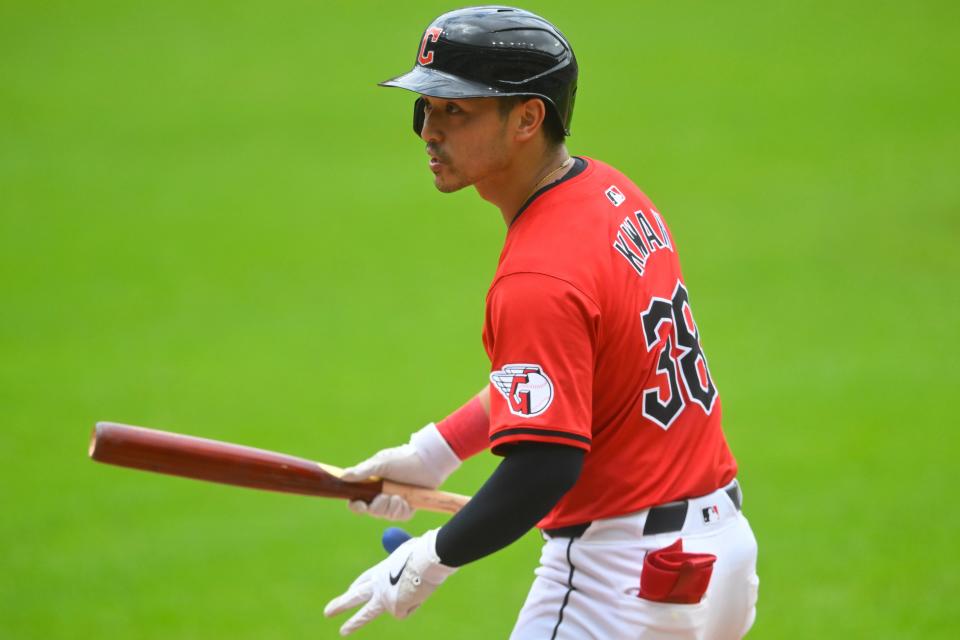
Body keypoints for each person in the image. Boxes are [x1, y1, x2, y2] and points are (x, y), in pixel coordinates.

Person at [323, 6, 759, 639]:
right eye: (425, 107)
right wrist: (433, 454)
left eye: (456, 109)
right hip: (716, 555)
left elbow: (545, 466)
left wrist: (428, 559)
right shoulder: (612, 194)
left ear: (528, 116)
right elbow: (573, 377)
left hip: (620, 582)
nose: (428, 130)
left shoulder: (536, 279)